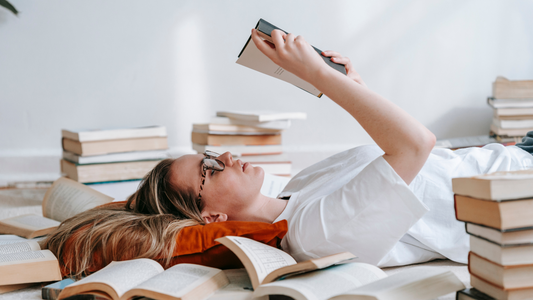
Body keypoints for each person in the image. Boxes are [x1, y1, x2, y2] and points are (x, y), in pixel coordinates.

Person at [43, 28, 533, 277]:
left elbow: (406, 157)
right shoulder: (314, 233)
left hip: (508, 153)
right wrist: (318, 77)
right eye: (210, 170)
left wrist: (350, 85)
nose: (227, 157)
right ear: (212, 214)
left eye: (212, 154)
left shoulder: (294, 193)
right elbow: (414, 145)